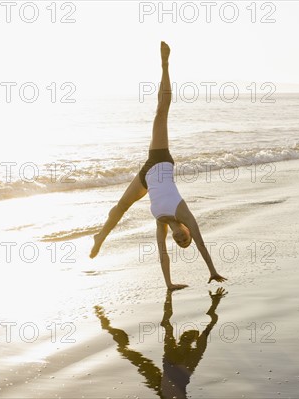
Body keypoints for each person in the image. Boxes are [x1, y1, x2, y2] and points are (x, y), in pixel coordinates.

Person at [90, 41, 226, 290]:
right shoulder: (182, 213)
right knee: (161, 112)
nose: (181, 238)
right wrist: (213, 271)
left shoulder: (161, 222)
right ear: (186, 230)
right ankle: (165, 64)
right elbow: (202, 244)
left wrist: (169, 284)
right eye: (185, 238)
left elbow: (162, 254)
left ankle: (100, 236)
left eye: (180, 242)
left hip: (145, 177)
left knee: (120, 207)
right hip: (160, 160)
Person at [94, 288, 227, 399]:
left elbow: (208, 326)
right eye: (185, 337)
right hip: (165, 383)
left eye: (187, 338)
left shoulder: (192, 356)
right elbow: (167, 322)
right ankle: (107, 327)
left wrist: (214, 305)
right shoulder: (186, 354)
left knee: (127, 351)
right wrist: (168, 294)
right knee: (127, 351)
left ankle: (108, 328)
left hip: (164, 386)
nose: (185, 340)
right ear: (180, 339)